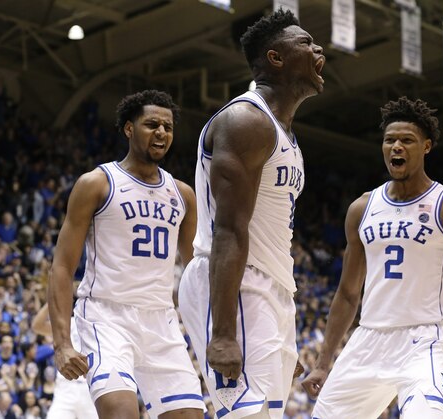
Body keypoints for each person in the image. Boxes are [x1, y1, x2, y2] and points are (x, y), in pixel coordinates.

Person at [301, 97, 443, 418]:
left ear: (427, 146)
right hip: (368, 338)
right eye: (389, 140)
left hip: (422, 341)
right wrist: (323, 364)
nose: (396, 147)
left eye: (407, 140)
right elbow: (348, 294)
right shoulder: (362, 207)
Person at [178, 8, 325, 419]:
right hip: (237, 287)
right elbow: (228, 230)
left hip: (272, 290)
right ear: (275, 58)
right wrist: (225, 332)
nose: (319, 50)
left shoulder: (285, 135)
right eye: (306, 43)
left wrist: (278, 327)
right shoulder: (246, 121)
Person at [47, 90, 206, 419]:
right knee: (121, 413)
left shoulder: (183, 194)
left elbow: (195, 273)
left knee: (190, 415)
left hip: (162, 321)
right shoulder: (97, 184)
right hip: (107, 317)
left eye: (168, 126)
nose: (161, 132)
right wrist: (62, 344)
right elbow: (62, 267)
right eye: (152, 124)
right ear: (129, 129)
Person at [32, 303, 98, 419]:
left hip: (91, 387)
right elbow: (37, 326)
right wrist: (52, 298)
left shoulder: (102, 325)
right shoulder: (70, 323)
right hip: (66, 386)